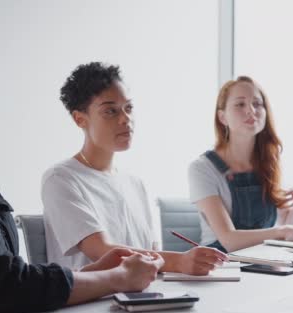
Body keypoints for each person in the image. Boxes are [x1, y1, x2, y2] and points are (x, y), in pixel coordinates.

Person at [0, 22, 164, 313]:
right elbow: (7, 285)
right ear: (80, 119)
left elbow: (11, 275)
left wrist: (94, 273)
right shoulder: (60, 178)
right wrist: (116, 277)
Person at [42, 62, 227, 274]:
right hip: (93, 301)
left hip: (143, 296)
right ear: (80, 119)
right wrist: (180, 262)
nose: (125, 119)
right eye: (110, 111)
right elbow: (103, 252)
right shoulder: (61, 179)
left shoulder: (134, 184)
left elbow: (153, 254)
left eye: (128, 108)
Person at [188, 76, 293, 253]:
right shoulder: (202, 168)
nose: (251, 110)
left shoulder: (268, 162)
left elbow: (283, 231)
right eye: (240, 104)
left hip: (264, 257)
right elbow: (229, 240)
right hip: (221, 262)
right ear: (222, 117)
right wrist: (283, 231)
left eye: (257, 104)